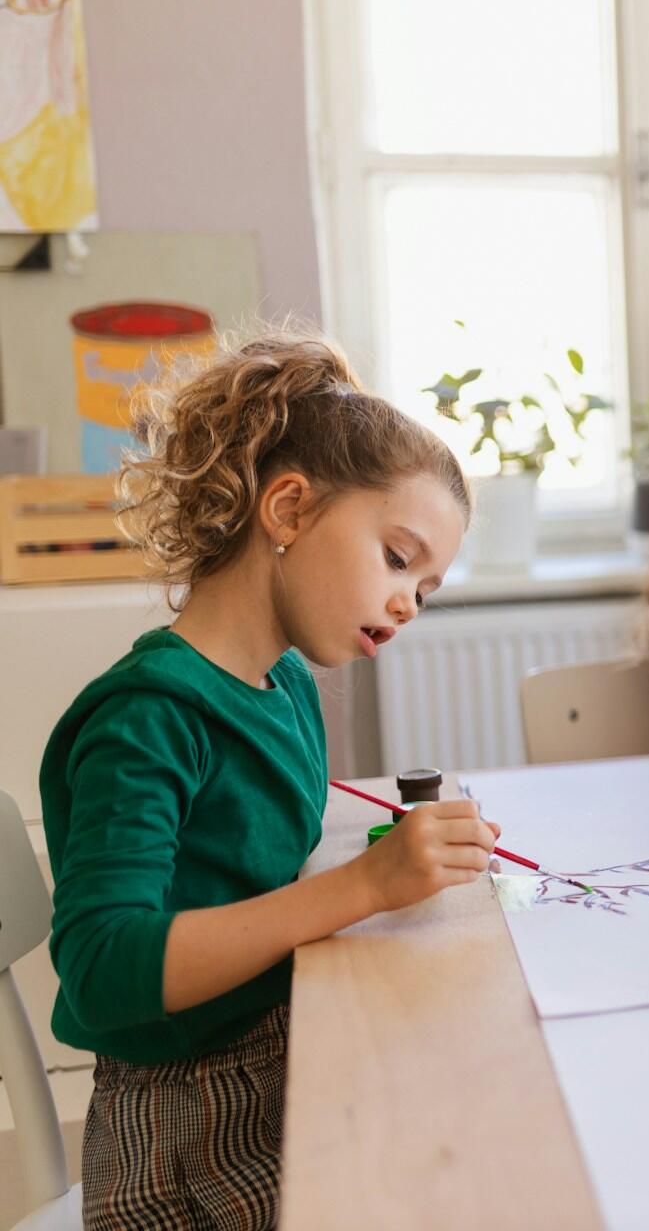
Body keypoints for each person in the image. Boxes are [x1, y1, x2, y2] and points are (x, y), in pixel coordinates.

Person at [41, 335, 500, 1228]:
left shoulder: (284, 684)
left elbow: (255, 848)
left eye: (429, 588)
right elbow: (100, 969)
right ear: (287, 509)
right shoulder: (149, 719)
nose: (410, 603)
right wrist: (364, 886)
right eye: (398, 559)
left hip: (281, 1043)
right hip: (186, 1124)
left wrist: (388, 862)